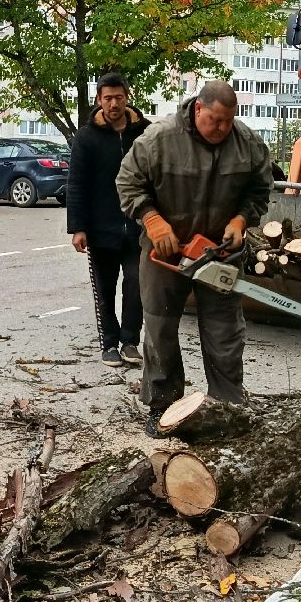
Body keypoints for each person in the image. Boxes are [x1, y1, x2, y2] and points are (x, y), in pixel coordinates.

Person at [116, 80, 273, 436]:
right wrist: (152, 219)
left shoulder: (247, 143)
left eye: (228, 121)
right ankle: (162, 404)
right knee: (160, 326)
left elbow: (260, 188)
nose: (221, 128)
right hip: (167, 249)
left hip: (219, 250)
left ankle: (228, 405)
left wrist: (241, 219)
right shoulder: (160, 139)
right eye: (215, 120)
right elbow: (127, 182)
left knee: (224, 329)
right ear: (198, 109)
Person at [67, 73, 152, 368]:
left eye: (118, 97)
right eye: (108, 98)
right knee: (105, 289)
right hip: (100, 228)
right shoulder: (86, 137)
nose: (113, 104)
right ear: (99, 100)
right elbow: (77, 184)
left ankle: (130, 342)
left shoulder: (145, 133)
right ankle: (109, 344)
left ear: (127, 97)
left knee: (137, 284)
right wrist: (78, 228)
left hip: (139, 228)